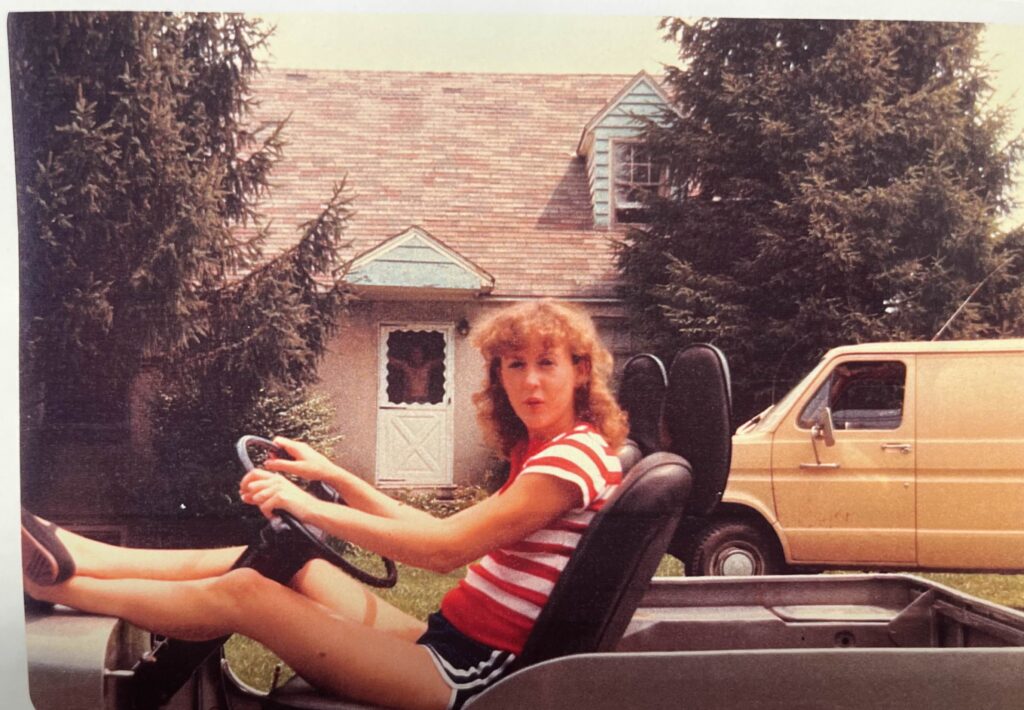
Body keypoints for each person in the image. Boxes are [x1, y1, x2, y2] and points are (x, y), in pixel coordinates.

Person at [21, 299, 628, 710]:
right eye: (514, 366)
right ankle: (74, 549)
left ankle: (56, 586)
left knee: (247, 593)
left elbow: (445, 552)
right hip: (448, 641)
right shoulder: (557, 450)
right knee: (283, 564)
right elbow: (440, 528)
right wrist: (331, 474)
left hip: (473, 677)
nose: (530, 383)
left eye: (547, 365)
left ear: (580, 372)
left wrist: (306, 506)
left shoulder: (568, 460)